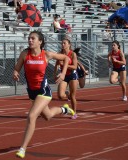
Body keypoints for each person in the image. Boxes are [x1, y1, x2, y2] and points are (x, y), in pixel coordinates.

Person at [13, 31, 75, 159]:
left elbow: (66, 58)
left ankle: (22, 148)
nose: (30, 40)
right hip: (32, 92)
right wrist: (15, 73)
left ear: (40, 42)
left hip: (43, 91)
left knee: (31, 116)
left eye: (33, 38)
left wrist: (63, 74)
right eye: (29, 38)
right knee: (47, 116)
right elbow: (17, 68)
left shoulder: (46, 54)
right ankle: (65, 109)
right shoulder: (25, 54)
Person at [54, 38, 79, 119]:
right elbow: (57, 64)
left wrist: (65, 64)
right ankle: (67, 95)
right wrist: (55, 74)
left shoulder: (73, 54)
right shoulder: (59, 54)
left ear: (69, 44)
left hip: (72, 75)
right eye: (62, 43)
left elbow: (75, 67)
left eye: (64, 43)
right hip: (63, 76)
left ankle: (74, 113)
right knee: (60, 95)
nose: (63, 45)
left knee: (73, 96)